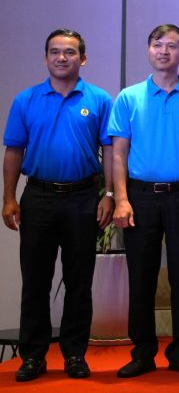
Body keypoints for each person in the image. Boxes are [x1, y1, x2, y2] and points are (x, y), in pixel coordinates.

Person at [3, 29, 113, 382]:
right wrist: (8, 197)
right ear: (46, 57)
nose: (61, 58)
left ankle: (75, 354)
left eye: (69, 52)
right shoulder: (26, 100)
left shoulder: (98, 100)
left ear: (83, 59)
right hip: (38, 198)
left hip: (84, 197)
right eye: (54, 52)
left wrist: (109, 195)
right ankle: (33, 356)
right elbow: (14, 151)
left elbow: (111, 151)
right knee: (35, 280)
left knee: (79, 281)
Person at [109, 24, 179, 378]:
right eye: (158, 44)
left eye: (172, 46)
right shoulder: (129, 97)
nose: (164, 51)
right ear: (148, 50)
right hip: (140, 196)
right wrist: (121, 199)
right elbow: (118, 154)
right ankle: (142, 352)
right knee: (141, 276)